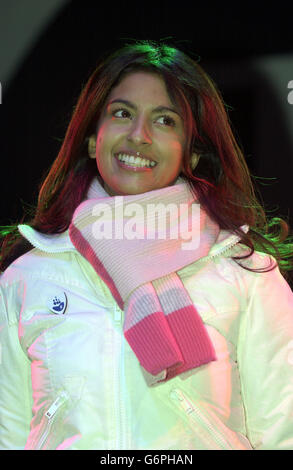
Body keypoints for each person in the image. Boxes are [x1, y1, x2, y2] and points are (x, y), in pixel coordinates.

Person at [0, 40, 293, 451]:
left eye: (165, 121)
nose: (138, 136)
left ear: (191, 154)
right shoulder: (28, 278)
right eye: (122, 114)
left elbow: (283, 433)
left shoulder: (245, 273)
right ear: (91, 138)